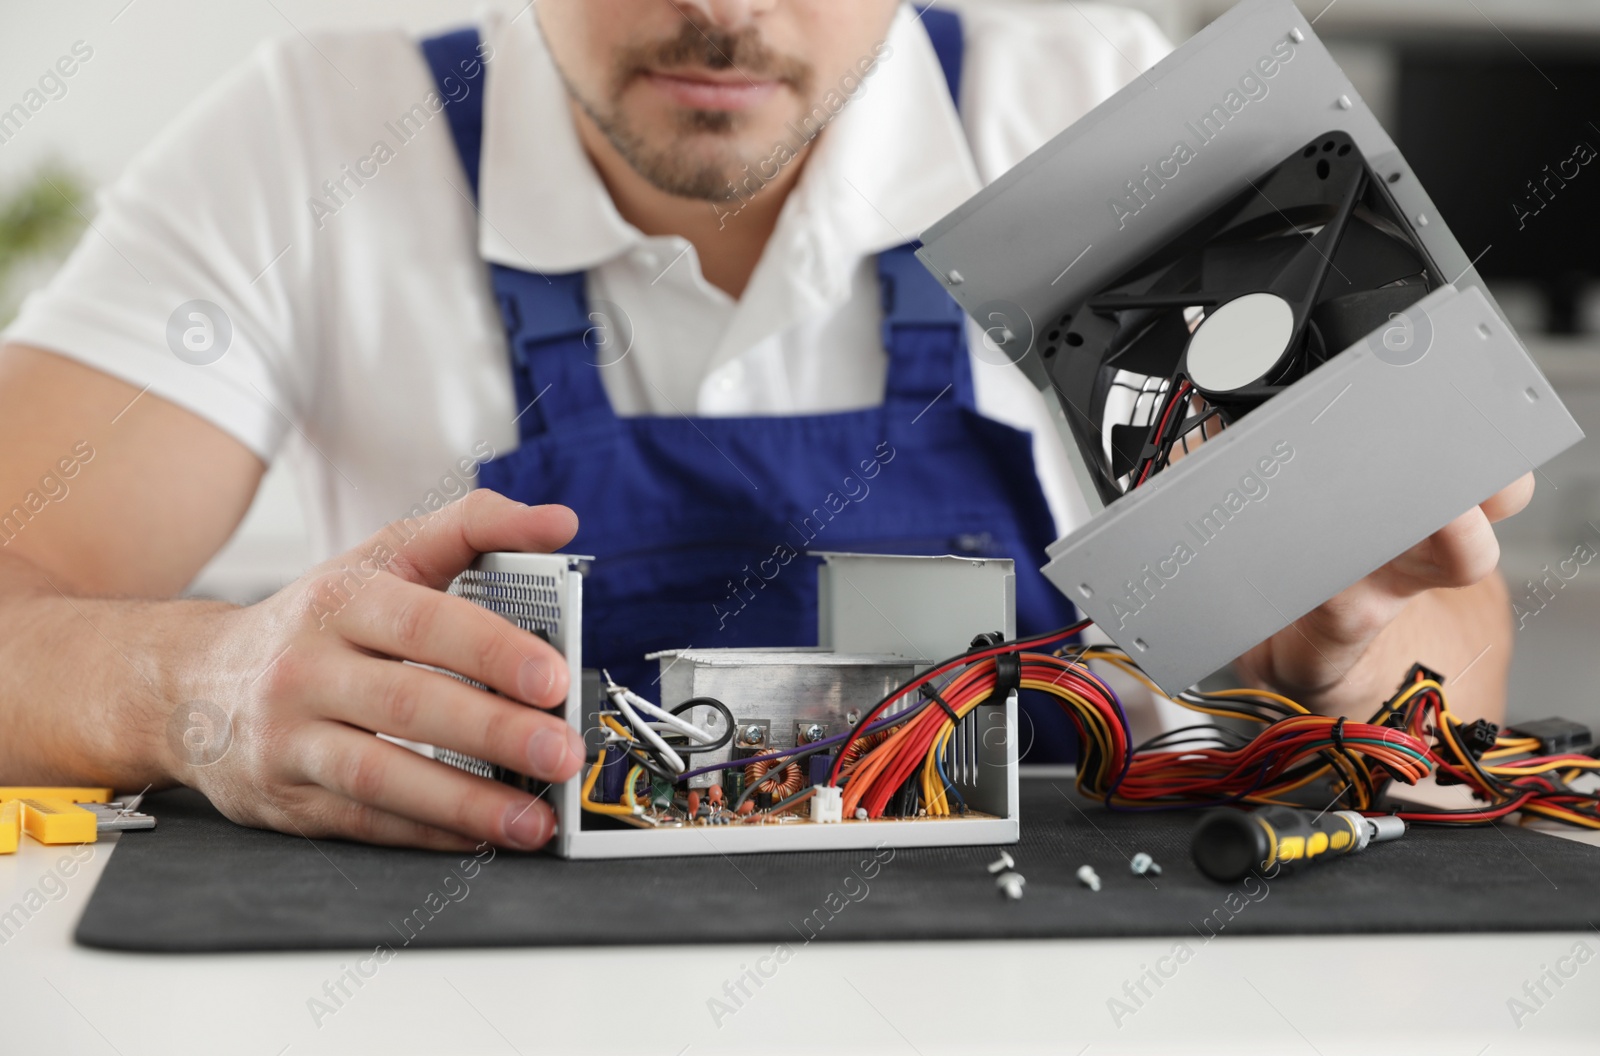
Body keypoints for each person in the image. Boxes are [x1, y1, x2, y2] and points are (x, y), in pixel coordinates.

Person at [0, 0, 1529, 852]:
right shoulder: (314, 141)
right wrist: (191, 685)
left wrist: (1340, 661)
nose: (722, 13)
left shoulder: (1102, 111)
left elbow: (1442, 638)